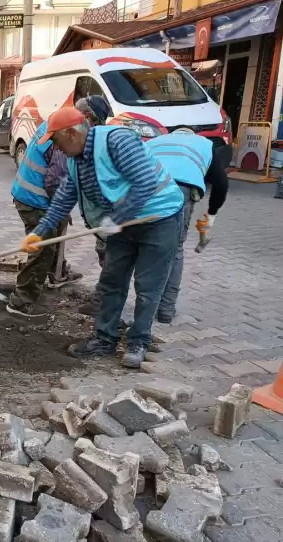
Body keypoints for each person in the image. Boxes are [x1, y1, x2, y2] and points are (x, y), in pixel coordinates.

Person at [20, 107, 184, 368]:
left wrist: (114, 220)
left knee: (147, 286)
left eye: (55, 140)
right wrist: (39, 232)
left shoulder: (118, 141)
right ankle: (105, 339)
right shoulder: (76, 159)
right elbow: (64, 197)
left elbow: (144, 183)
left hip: (158, 219)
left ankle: (138, 342)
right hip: (123, 222)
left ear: (72, 133)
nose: (55, 148)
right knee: (112, 280)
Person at [7, 95, 112, 318]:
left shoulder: (56, 123)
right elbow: (56, 181)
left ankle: (57, 274)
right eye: (97, 123)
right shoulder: (65, 137)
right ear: (88, 118)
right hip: (34, 199)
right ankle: (21, 300)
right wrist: (60, 211)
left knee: (52, 237)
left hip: (31, 195)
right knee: (43, 248)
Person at [150, 134, 231, 323]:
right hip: (180, 189)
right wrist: (210, 216)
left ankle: (115, 305)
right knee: (175, 249)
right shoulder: (205, 145)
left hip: (143, 188)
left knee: (139, 245)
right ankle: (165, 311)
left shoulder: (156, 141)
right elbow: (221, 183)